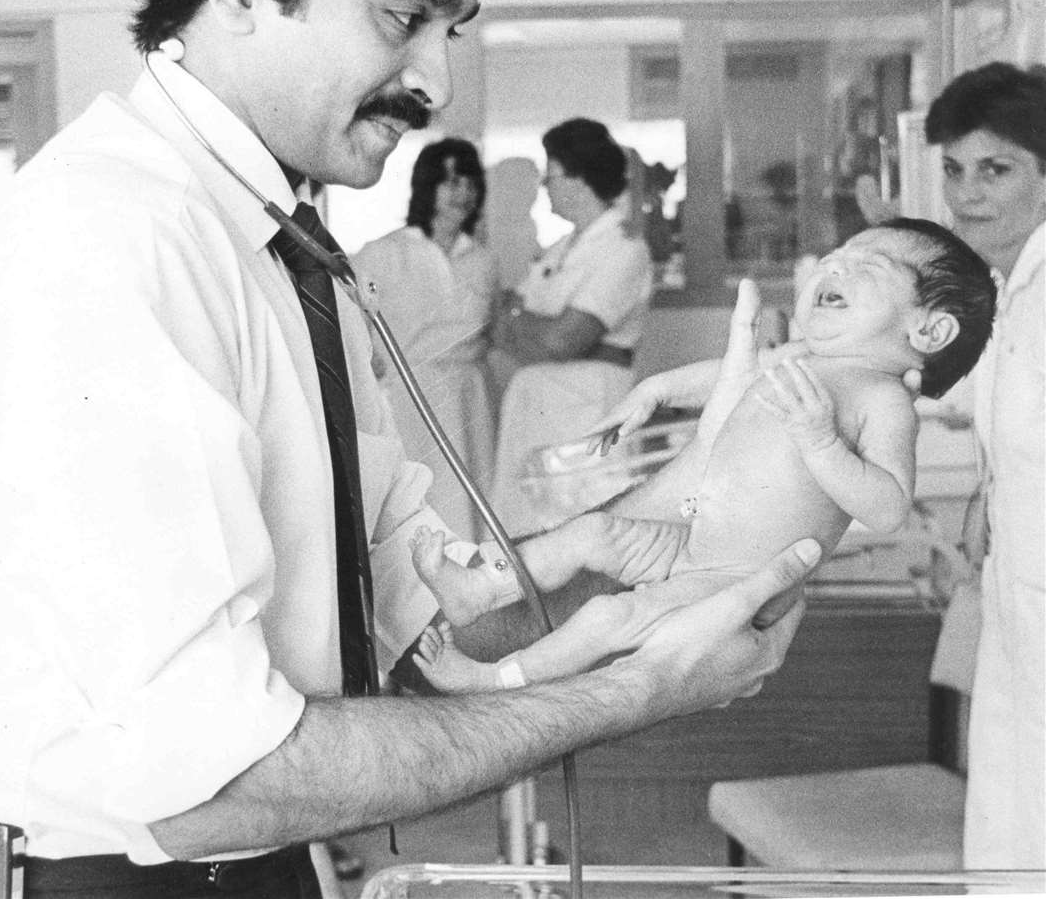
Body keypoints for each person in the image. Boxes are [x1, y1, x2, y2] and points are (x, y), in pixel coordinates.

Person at [0, 0, 820, 898]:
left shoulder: (285, 244)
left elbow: (422, 628)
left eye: (451, 27)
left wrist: (685, 509)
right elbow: (202, 781)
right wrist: (634, 691)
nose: (436, 79)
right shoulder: (112, 235)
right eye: (403, 14)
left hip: (276, 851)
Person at [411, 219, 996, 692]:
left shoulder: (882, 399)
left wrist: (821, 441)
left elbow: (889, 508)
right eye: (839, 253)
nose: (836, 264)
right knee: (591, 533)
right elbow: (722, 379)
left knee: (607, 619)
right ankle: (481, 590)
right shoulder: (799, 357)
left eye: (869, 265)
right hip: (688, 538)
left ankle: (494, 679)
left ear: (929, 331)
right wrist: (656, 390)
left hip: (730, 573)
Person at [924, 61, 1045, 870]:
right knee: (1017, 824)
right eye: (955, 170)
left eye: (995, 169)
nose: (968, 194)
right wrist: (983, 500)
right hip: (1017, 593)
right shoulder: (1012, 290)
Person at [490, 117, 653, 533]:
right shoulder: (560, 249)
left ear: (579, 180)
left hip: (589, 404)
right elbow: (502, 326)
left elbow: (566, 340)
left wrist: (520, 320)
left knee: (583, 529)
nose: (545, 185)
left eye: (553, 174)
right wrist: (527, 324)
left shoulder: (624, 248)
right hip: (537, 403)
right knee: (524, 531)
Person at [352, 137, 497, 541]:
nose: (462, 193)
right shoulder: (385, 252)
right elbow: (354, 323)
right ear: (427, 186)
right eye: (451, 181)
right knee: (419, 502)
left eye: (470, 183)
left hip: (469, 394)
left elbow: (491, 329)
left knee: (473, 503)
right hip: (408, 395)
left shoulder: (483, 259)